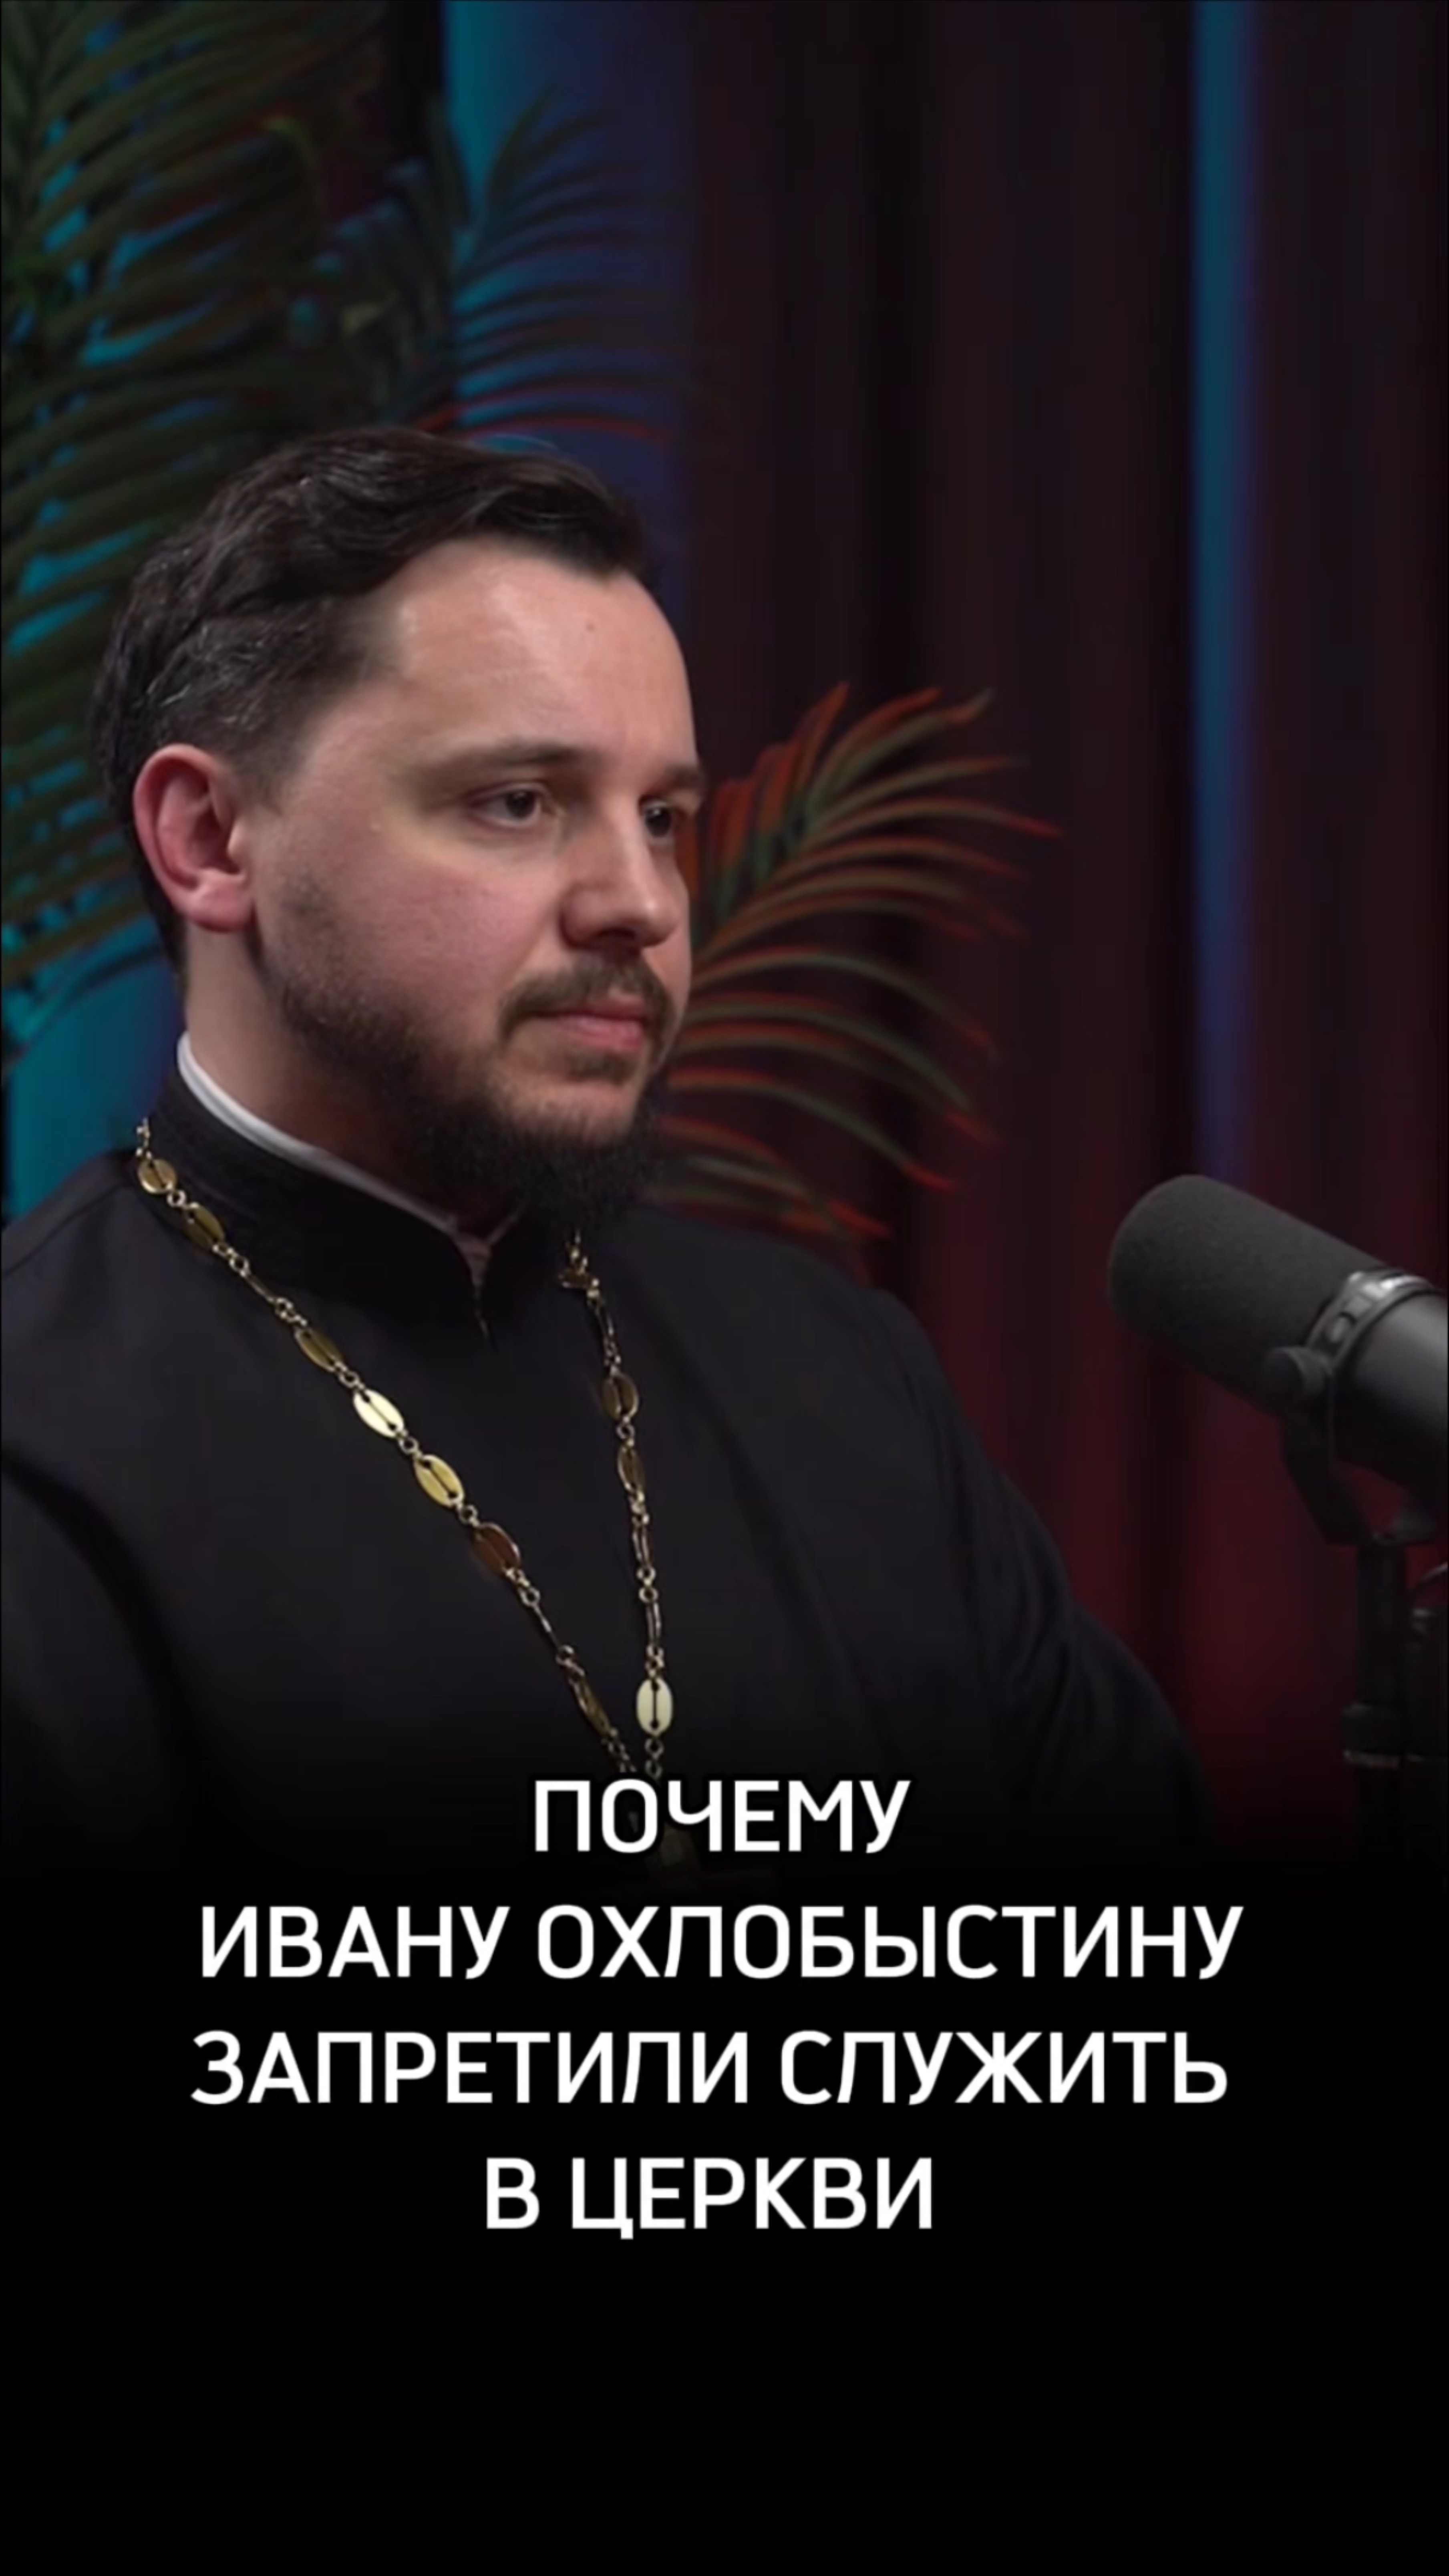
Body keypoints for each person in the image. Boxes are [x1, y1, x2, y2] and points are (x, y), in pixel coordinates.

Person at [2, 428, 1202, 1884]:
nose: (642, 902)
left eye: (662, 819)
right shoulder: (36, 1435)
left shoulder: (842, 1374)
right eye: (517, 801)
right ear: (210, 840)